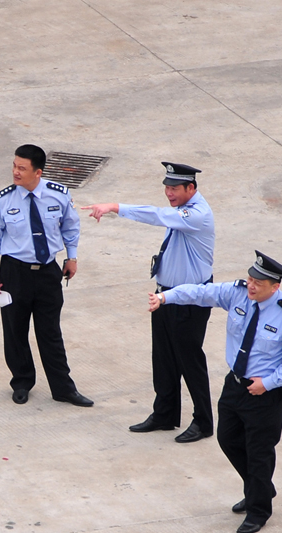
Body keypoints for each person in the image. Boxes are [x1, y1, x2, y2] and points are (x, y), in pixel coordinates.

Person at [149, 252, 282, 533]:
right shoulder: (236, 295)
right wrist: (165, 298)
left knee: (259, 452)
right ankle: (260, 488)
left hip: (264, 393)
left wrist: (268, 383)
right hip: (235, 385)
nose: (251, 285)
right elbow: (201, 292)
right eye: (250, 278)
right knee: (227, 438)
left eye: (259, 282)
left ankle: (259, 510)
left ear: (275, 286)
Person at [82, 162, 215, 442]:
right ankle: (165, 414)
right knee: (163, 358)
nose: (169, 193)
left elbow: (155, 216)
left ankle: (203, 422)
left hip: (190, 299)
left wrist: (115, 206)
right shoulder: (181, 211)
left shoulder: (196, 215)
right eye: (166, 188)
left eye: (174, 189)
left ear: (191, 188)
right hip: (165, 295)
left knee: (189, 361)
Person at [0, 144, 92, 407]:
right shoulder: (3, 200)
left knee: (50, 332)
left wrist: (72, 256)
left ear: (38, 172)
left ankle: (63, 388)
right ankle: (21, 382)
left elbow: (70, 226)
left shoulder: (59, 195)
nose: (15, 172)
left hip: (47, 273)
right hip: (14, 272)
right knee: (15, 331)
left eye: (22, 168)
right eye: (14, 166)